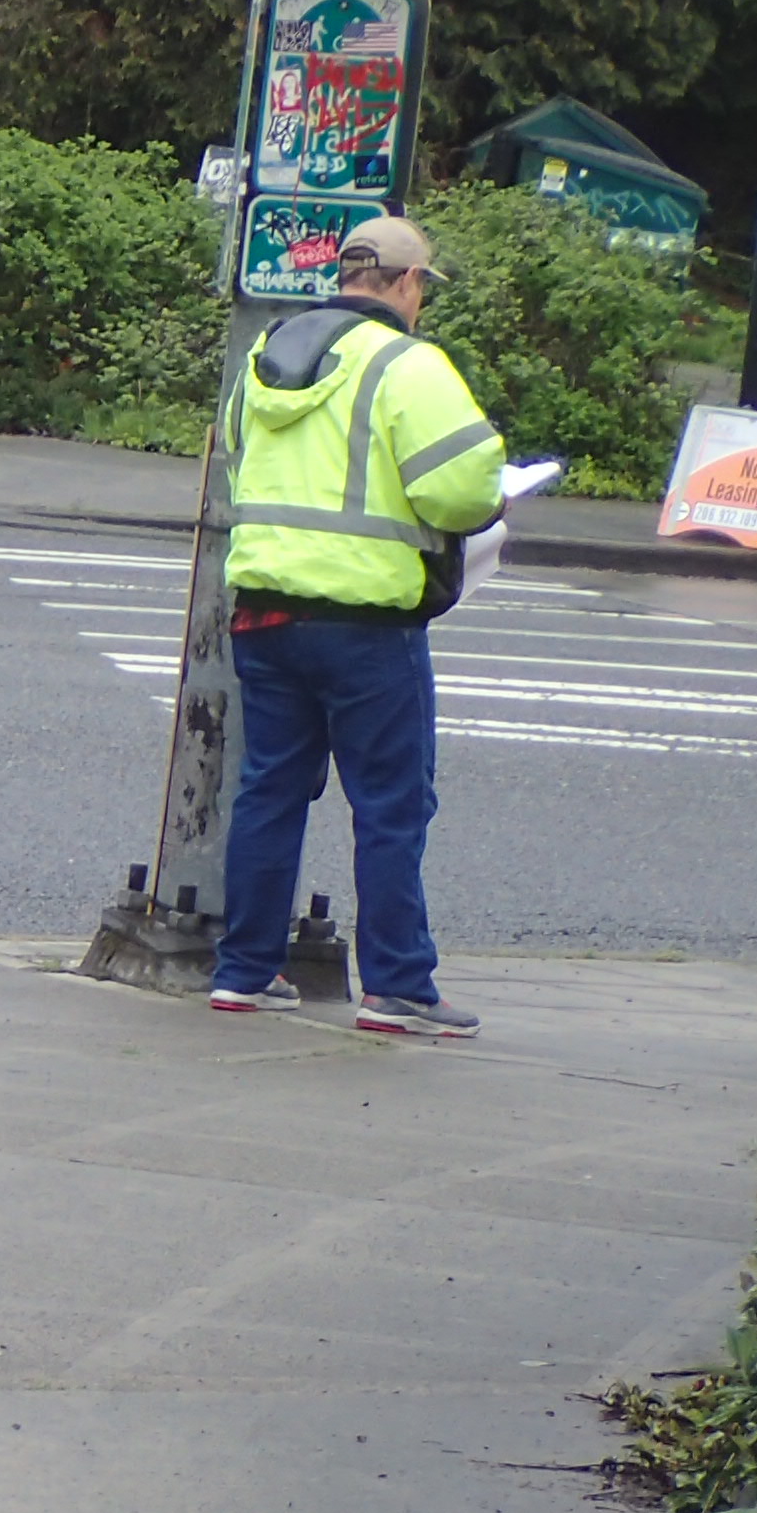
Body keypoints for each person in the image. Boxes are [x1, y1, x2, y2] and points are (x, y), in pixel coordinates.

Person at [204, 212, 510, 1038]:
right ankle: (398, 985)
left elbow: (236, 457)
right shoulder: (408, 365)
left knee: (270, 789)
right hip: (366, 623)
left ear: (344, 275)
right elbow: (462, 491)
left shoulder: (265, 357)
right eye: (422, 287)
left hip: (265, 612)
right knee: (390, 805)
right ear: (408, 283)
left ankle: (244, 972)